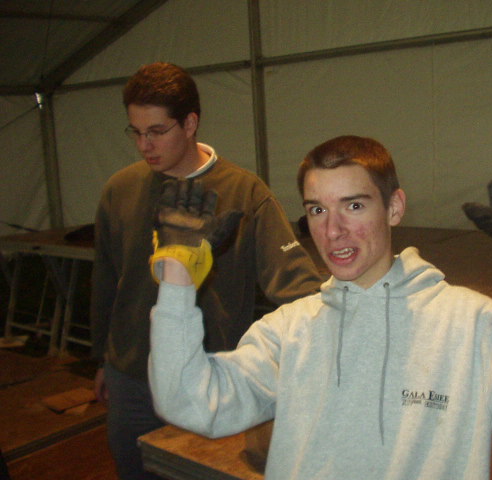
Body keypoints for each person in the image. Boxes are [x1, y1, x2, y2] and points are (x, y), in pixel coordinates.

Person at [147, 135, 492, 479]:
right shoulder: (289, 331)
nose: (332, 230)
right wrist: (177, 277)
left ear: (394, 208)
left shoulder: (469, 324)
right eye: (317, 210)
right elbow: (191, 402)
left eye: (353, 206)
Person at [90, 62, 323, 480]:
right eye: (135, 132)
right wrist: (104, 359)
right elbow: (106, 280)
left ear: (190, 123)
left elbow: (296, 285)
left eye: (156, 131)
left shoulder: (244, 193)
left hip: (209, 379)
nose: (144, 145)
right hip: (131, 380)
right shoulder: (119, 190)